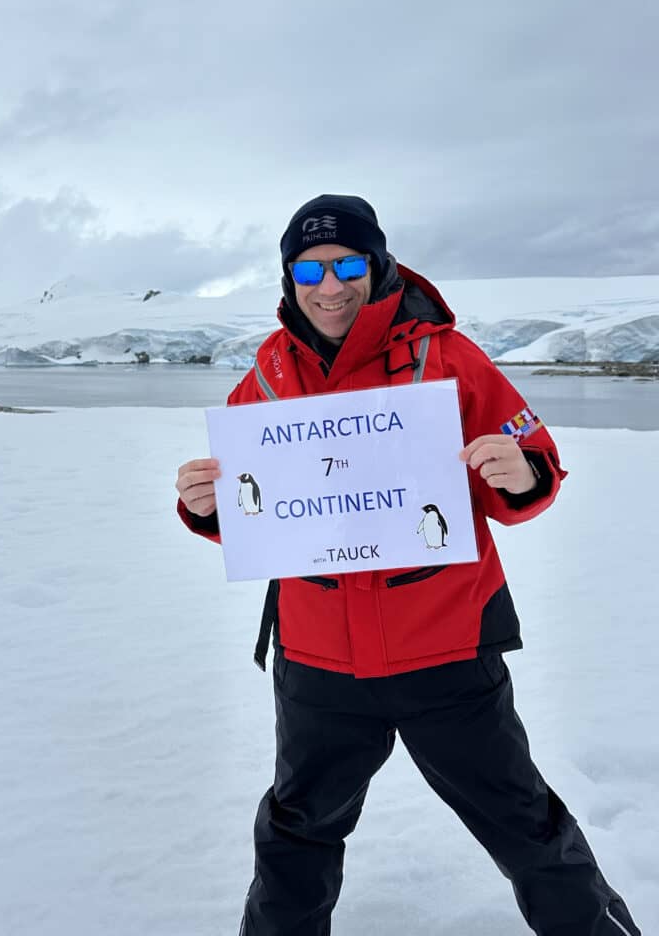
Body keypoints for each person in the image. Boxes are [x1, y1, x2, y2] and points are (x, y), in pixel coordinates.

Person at [175, 195, 640, 936]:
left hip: (446, 649)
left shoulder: (449, 358)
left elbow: (535, 455)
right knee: (296, 836)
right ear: (290, 278)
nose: (330, 287)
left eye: (347, 264)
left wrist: (521, 473)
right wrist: (207, 505)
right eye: (309, 271)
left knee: (526, 827)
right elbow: (257, 506)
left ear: (378, 263)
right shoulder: (267, 373)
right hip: (318, 662)